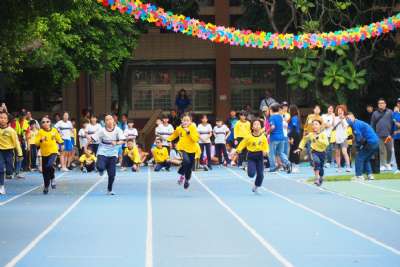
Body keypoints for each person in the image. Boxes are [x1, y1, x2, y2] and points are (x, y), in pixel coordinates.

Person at [90, 114, 126, 195]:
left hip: (113, 154)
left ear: (113, 121)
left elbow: (123, 140)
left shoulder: (118, 130)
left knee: (112, 174)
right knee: (100, 167)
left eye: (110, 119)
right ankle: (101, 169)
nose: (109, 121)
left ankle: (109, 190)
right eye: (107, 120)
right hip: (102, 152)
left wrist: (116, 142)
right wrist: (87, 145)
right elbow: (92, 138)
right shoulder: (102, 130)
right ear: (105, 122)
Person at [167, 113, 199, 190]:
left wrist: (188, 132)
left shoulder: (193, 128)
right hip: (182, 148)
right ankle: (182, 173)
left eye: (188, 120)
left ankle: (186, 180)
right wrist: (169, 139)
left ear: (191, 121)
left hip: (192, 149)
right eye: (184, 120)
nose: (186, 122)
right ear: (181, 120)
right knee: (186, 161)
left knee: (189, 167)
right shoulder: (179, 128)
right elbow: (174, 135)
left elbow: (196, 139)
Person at [236, 119, 269, 193]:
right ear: (252, 127)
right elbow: (242, 143)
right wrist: (238, 150)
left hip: (260, 156)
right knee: (251, 174)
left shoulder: (263, 137)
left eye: (258, 124)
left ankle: (256, 186)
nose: (257, 126)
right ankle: (249, 167)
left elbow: (266, 146)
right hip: (251, 156)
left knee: (260, 175)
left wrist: (266, 151)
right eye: (255, 124)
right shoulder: (248, 137)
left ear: (261, 127)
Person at [295, 120, 329, 186]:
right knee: (317, 162)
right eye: (313, 125)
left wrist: (318, 139)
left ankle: (321, 177)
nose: (314, 126)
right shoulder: (311, 134)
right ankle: (316, 178)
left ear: (320, 126)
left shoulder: (323, 135)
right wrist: (300, 148)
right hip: (314, 151)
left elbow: (326, 143)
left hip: (322, 152)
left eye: (316, 124)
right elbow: (304, 140)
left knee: (321, 167)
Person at [35, 116, 64, 194]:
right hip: (44, 153)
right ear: (41, 124)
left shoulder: (54, 130)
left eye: (47, 121)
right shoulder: (40, 132)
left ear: (50, 122)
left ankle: (53, 178)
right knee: (45, 172)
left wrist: (62, 144)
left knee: (49, 165)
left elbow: (59, 139)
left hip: (53, 152)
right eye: (43, 122)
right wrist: (41, 140)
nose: (46, 123)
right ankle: (46, 186)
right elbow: (36, 143)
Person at [347, 113, 379, 180]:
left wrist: (357, 147)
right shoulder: (359, 123)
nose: (348, 120)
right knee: (366, 159)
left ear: (353, 118)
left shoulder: (355, 124)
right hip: (376, 142)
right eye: (347, 119)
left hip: (370, 142)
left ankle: (359, 175)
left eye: (349, 118)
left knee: (359, 158)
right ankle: (370, 175)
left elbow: (359, 137)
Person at [0, 111, 23, 195]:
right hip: (0, 152)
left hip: (9, 151)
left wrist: (20, 154)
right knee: (0, 168)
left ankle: (9, 172)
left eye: (4, 118)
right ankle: (1, 186)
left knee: (9, 171)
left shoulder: (11, 131)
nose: (2, 119)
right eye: (1, 117)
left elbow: (16, 142)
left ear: (7, 120)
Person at [371, 98, 394, 171]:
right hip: (379, 135)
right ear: (378, 105)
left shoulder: (390, 112)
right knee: (381, 151)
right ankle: (382, 165)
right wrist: (374, 134)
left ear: (385, 104)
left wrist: (392, 133)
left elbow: (393, 123)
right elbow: (372, 124)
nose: (381, 104)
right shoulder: (375, 113)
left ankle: (388, 163)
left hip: (388, 135)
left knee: (389, 150)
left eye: (382, 103)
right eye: (379, 103)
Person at [269, 103, 292, 173]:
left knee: (272, 153)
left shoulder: (272, 117)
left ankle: (273, 167)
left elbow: (273, 127)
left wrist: (267, 132)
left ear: (271, 110)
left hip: (274, 137)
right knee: (281, 152)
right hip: (282, 137)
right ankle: (287, 162)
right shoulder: (280, 117)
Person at [332, 105, 351, 172]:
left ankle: (348, 166)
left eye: (341, 110)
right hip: (337, 138)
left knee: (344, 152)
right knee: (337, 153)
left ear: (344, 111)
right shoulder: (335, 118)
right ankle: (339, 167)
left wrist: (342, 119)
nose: (340, 111)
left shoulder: (346, 118)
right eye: (339, 110)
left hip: (344, 138)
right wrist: (336, 118)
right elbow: (334, 126)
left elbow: (345, 127)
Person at [288, 105, 301, 173]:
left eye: (289, 109)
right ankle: (293, 165)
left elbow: (294, 128)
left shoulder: (294, 118)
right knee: (292, 150)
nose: (288, 110)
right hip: (293, 135)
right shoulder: (293, 117)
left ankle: (296, 166)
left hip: (295, 135)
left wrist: (292, 138)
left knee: (295, 150)